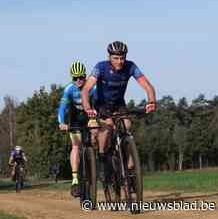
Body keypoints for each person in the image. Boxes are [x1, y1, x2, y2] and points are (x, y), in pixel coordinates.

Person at [81, 41, 156, 182]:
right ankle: (103, 159)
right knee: (107, 127)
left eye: (122, 58)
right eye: (116, 58)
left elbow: (147, 85)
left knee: (127, 125)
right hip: (101, 104)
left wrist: (151, 101)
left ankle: (127, 161)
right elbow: (85, 90)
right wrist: (88, 109)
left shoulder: (131, 66)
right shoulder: (100, 67)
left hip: (118, 104)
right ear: (109, 57)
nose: (119, 61)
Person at [57, 61, 98, 197]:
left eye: (81, 77)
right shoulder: (69, 89)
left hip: (89, 115)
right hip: (74, 118)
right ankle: (75, 179)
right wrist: (61, 122)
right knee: (75, 145)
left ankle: (96, 162)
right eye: (75, 78)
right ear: (72, 78)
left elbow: (98, 103)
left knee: (95, 134)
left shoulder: (92, 87)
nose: (79, 80)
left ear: (85, 76)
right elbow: (62, 107)